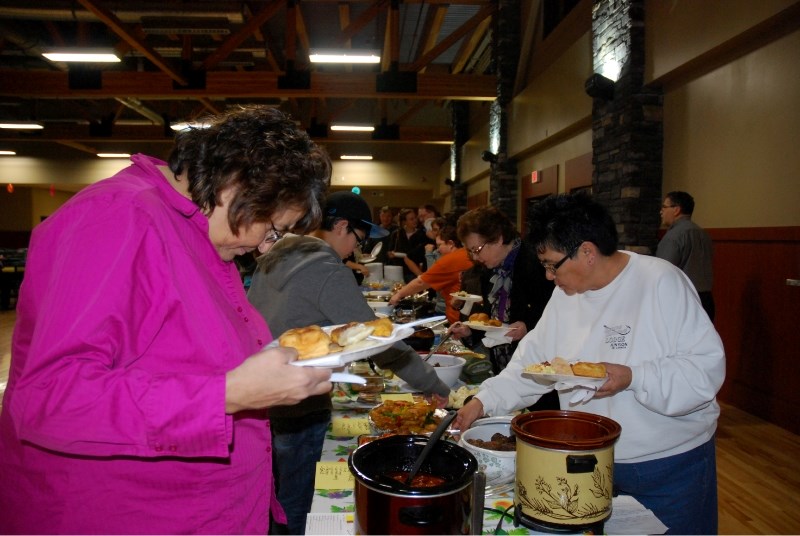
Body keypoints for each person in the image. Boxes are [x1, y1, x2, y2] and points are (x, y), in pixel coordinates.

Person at [0, 106, 334, 534]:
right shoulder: (117, 217)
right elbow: (48, 398)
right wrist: (227, 393)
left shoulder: (203, 234)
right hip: (123, 516)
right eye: (271, 229)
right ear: (235, 185)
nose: (265, 248)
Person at [454, 193, 726, 535]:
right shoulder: (566, 296)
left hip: (668, 466)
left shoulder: (660, 282)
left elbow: (704, 372)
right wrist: (483, 402)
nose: (549, 276)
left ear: (587, 251)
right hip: (591, 463)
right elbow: (533, 363)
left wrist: (634, 377)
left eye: (553, 265)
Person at [247, 191, 451, 535]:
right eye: (358, 240)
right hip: (300, 403)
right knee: (298, 502)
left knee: (275, 499)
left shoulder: (275, 255)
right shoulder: (326, 269)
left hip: (261, 396)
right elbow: (380, 342)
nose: (355, 251)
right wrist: (434, 385)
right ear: (341, 226)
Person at [388, 218, 474, 324]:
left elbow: (421, 282)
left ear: (451, 243)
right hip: (469, 317)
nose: (437, 249)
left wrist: (399, 295)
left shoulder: (450, 260)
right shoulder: (467, 254)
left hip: (459, 318)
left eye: (439, 245)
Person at [656, 191, 715, 321]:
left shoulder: (673, 237)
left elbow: (662, 272)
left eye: (664, 207)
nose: (661, 211)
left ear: (676, 210)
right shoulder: (703, 234)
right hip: (706, 300)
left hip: (682, 302)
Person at [387, 208, 428, 282]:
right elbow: (390, 250)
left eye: (415, 218)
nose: (415, 220)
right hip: (399, 271)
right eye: (411, 219)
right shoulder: (396, 234)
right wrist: (391, 254)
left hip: (415, 270)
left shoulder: (422, 234)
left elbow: (422, 253)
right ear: (404, 222)